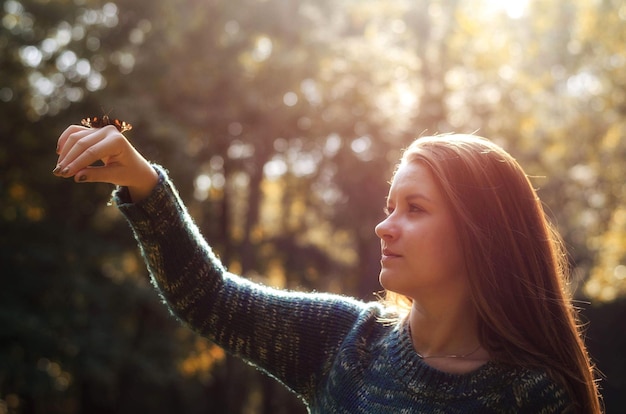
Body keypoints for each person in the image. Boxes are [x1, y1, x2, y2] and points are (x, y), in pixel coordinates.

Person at [53, 125, 602, 413]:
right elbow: (211, 299)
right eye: (389, 207)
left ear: (478, 233)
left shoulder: (533, 397)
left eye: (414, 209)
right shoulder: (344, 341)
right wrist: (143, 182)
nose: (385, 227)